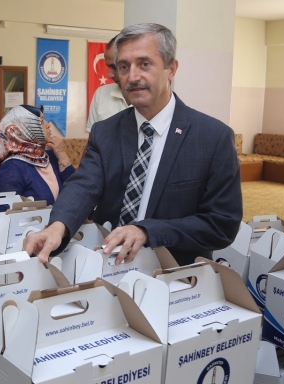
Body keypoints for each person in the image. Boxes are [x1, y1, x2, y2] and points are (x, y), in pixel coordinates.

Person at [24, 23, 242, 267]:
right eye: (124, 67)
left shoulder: (212, 138)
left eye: (145, 64)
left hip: (175, 276)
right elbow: (84, 187)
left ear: (171, 69)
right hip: (106, 267)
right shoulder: (105, 132)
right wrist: (57, 226)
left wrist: (147, 231)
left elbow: (222, 224)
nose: (133, 76)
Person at [0, 105, 75, 206]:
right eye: (41, 121)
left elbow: (76, 191)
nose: (48, 125)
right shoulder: (11, 169)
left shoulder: (51, 156)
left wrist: (62, 154)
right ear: (23, 129)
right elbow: (4, 214)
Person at [86, 37, 129, 132]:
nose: (109, 75)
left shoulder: (149, 99)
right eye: (108, 66)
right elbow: (93, 142)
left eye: (114, 67)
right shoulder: (101, 94)